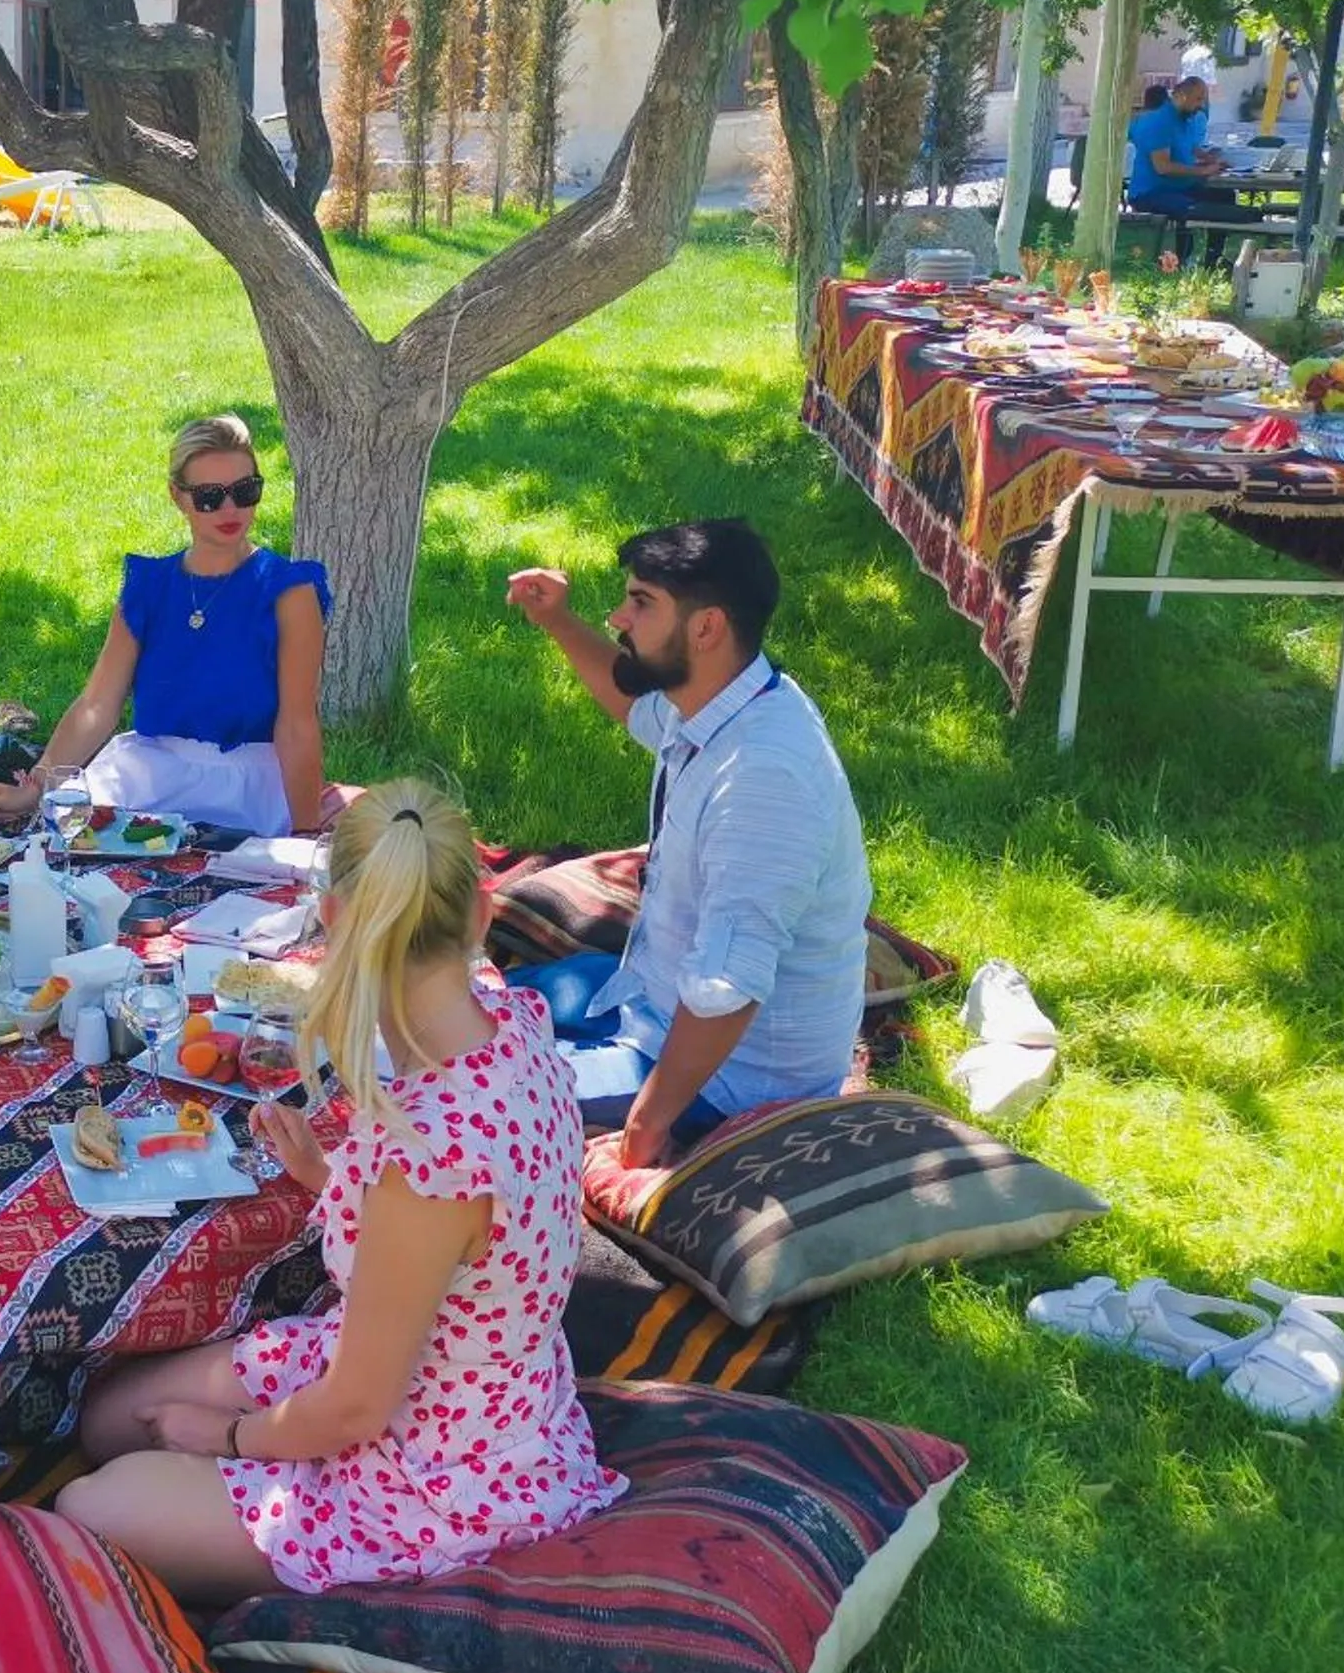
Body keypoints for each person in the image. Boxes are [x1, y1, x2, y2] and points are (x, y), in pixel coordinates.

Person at [55, 782, 624, 1604]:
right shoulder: (515, 1018)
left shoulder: (429, 1158)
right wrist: (334, 1182)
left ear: (332, 919)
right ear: (479, 916)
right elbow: (461, 1241)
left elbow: (358, 1408)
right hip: (440, 1378)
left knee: (86, 1505)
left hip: (438, 1472)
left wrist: (226, 1438)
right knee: (107, 1419)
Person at [502, 520, 871, 1169]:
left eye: (641, 602)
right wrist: (559, 621)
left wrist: (647, 1125)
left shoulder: (764, 776)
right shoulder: (726, 693)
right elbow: (632, 705)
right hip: (652, 998)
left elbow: (726, 988)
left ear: (707, 627)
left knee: (471, 1090)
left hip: (730, 1078)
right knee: (455, 1004)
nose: (618, 617)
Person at [0, 415, 328, 837]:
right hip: (148, 780)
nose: (231, 509)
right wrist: (34, 786)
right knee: (70, 864)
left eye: (246, 492)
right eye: (210, 497)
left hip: (247, 791)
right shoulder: (150, 586)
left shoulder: (288, 591)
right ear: (177, 496)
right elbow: (97, 706)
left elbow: (296, 726)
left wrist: (305, 837)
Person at [1127, 74, 1248, 264]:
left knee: (1225, 197)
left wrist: (1209, 160)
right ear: (1182, 95)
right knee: (1193, 209)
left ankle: (1213, 258)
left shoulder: (1184, 119)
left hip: (1179, 186)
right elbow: (1163, 167)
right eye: (1198, 99)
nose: (1201, 105)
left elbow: (1190, 147)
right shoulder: (1160, 122)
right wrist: (1203, 171)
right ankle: (1181, 261)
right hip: (1151, 192)